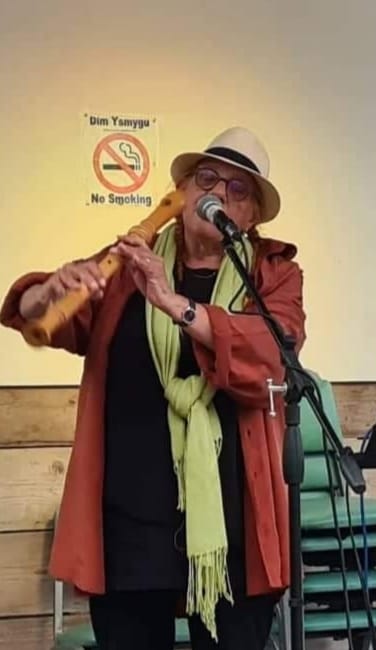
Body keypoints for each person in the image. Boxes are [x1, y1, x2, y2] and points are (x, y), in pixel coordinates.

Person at [1, 127, 305, 649]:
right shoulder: (131, 261)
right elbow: (53, 320)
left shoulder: (273, 275)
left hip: (231, 526)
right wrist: (44, 295)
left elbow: (271, 355)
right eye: (206, 178)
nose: (217, 193)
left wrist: (172, 303)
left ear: (251, 216)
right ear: (182, 193)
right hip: (130, 520)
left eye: (237, 189)